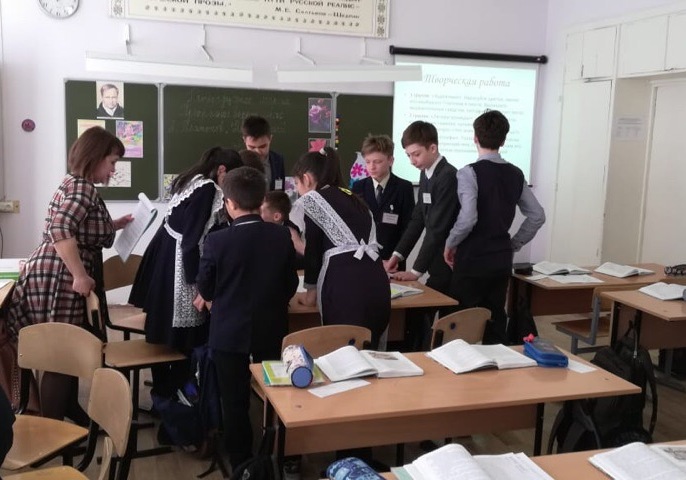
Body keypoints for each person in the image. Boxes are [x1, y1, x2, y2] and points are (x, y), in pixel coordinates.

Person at [6, 126, 133, 423]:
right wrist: (79, 275)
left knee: (68, 348)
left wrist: (113, 225)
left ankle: (68, 407)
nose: (113, 170)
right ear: (95, 157)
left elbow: (76, 225)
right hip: (60, 279)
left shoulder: (74, 183)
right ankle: (53, 430)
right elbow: (61, 228)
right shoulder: (83, 189)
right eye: (112, 162)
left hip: (54, 274)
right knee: (60, 356)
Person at [196, 166, 298, 469]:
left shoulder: (216, 241)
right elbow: (290, 283)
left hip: (229, 331)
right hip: (271, 327)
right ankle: (276, 452)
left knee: (233, 398)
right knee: (276, 393)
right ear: (262, 200)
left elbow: (205, 288)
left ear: (229, 203)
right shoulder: (281, 235)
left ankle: (240, 460)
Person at [129, 147, 243, 395]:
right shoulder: (208, 189)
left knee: (166, 334)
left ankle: (165, 392)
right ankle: (176, 394)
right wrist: (198, 283)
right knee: (186, 335)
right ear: (222, 170)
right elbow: (192, 241)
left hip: (165, 255)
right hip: (179, 261)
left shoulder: (194, 179)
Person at [444, 110, 545, 344]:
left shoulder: (468, 172)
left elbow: (468, 218)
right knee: (495, 319)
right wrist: (513, 244)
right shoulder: (516, 174)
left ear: (475, 138)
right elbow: (537, 216)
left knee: (460, 323)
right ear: (504, 140)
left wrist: (450, 243)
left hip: (471, 258)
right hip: (500, 259)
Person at [294, 147, 390, 347]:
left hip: (345, 289)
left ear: (306, 179)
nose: (297, 189)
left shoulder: (314, 199)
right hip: (378, 284)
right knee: (370, 350)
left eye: (296, 183)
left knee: (343, 353)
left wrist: (310, 293)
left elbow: (313, 252)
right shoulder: (354, 198)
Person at [384, 121, 459, 350]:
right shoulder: (426, 174)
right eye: (408, 155)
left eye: (416, 154)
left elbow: (436, 228)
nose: (412, 161)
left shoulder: (448, 176)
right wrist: (397, 255)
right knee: (420, 316)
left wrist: (416, 271)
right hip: (436, 259)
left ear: (433, 148)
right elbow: (418, 219)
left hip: (450, 260)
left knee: (442, 317)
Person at [352, 134, 415, 270]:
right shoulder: (358, 187)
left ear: (390, 160)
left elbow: (408, 227)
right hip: (364, 258)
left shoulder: (404, 188)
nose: (372, 167)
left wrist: (398, 256)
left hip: (393, 260)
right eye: (368, 162)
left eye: (377, 162)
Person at [241, 115, 285, 191]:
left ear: (270, 139)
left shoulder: (278, 160)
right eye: (252, 147)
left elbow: (280, 188)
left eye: (262, 146)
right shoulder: (238, 162)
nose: (257, 151)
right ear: (244, 140)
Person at [261, 191, 306, 263]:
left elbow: (302, 252)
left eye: (260, 212)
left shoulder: (290, 233)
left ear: (276, 216)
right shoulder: (259, 227)